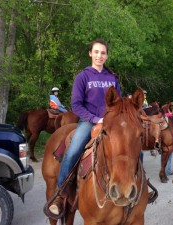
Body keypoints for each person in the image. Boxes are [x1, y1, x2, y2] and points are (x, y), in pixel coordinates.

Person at [48, 38, 121, 215]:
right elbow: (77, 105)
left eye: (103, 53)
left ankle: (137, 187)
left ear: (107, 55)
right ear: (90, 53)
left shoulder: (112, 77)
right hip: (89, 121)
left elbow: (118, 103)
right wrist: (96, 119)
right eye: (96, 52)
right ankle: (60, 193)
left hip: (110, 122)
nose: (99, 55)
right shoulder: (83, 77)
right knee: (73, 150)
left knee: (134, 149)